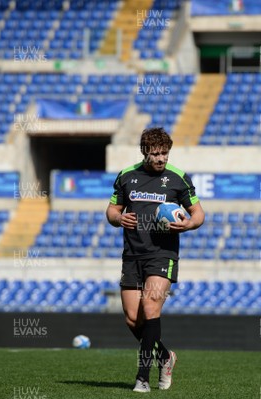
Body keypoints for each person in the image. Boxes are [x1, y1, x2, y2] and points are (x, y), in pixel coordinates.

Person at [106, 127, 205, 393]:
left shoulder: (178, 178)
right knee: (132, 319)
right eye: (155, 154)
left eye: (165, 153)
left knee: (150, 307)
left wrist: (188, 225)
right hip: (132, 254)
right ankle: (165, 357)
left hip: (163, 254)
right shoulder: (127, 176)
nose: (161, 158)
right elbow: (112, 210)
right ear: (144, 153)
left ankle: (142, 378)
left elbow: (198, 214)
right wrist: (118, 218)